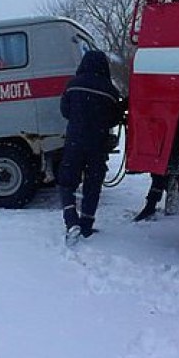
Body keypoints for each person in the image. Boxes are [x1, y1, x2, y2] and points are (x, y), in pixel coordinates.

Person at [57, 50, 122, 244]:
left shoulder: (73, 84)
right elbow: (115, 119)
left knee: (67, 182)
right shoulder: (111, 90)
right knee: (93, 185)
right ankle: (86, 224)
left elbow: (64, 111)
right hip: (97, 144)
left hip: (75, 141)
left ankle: (71, 221)